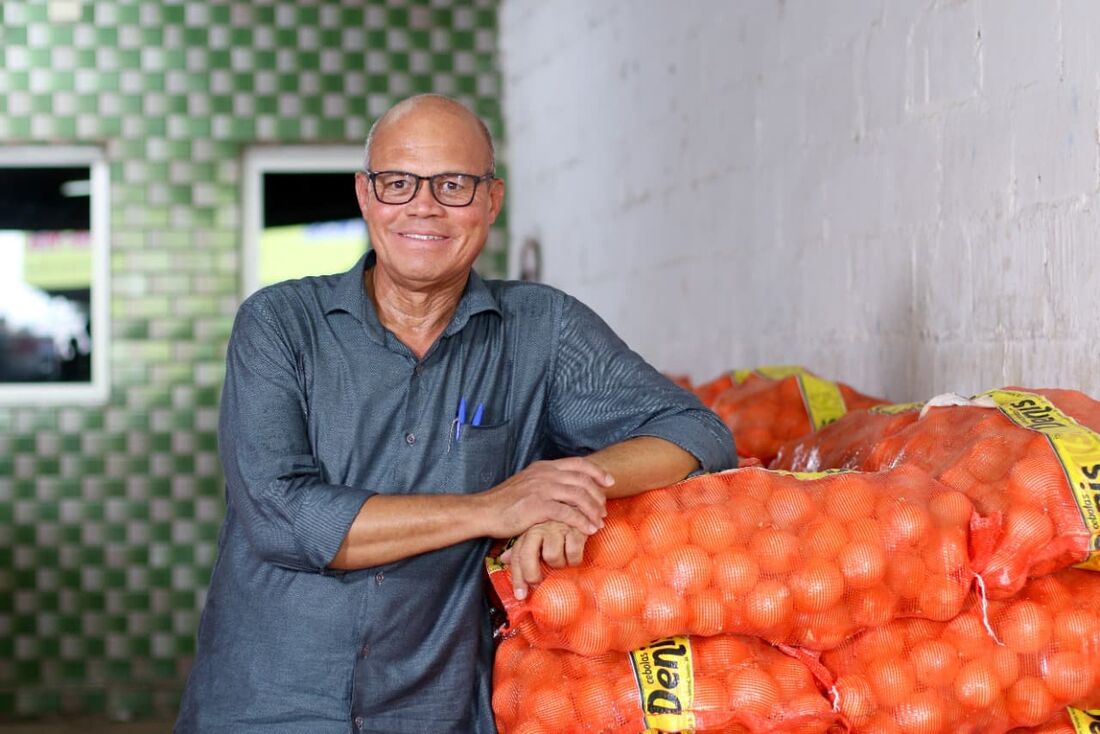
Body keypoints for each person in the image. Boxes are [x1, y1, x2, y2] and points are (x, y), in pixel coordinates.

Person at [175, 94, 735, 733]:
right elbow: (282, 514)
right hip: (266, 706)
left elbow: (697, 432)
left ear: (491, 202)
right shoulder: (279, 324)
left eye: (453, 184)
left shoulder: (540, 329)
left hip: (434, 710)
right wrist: (496, 506)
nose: (424, 205)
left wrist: (565, 491)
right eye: (398, 183)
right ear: (365, 195)